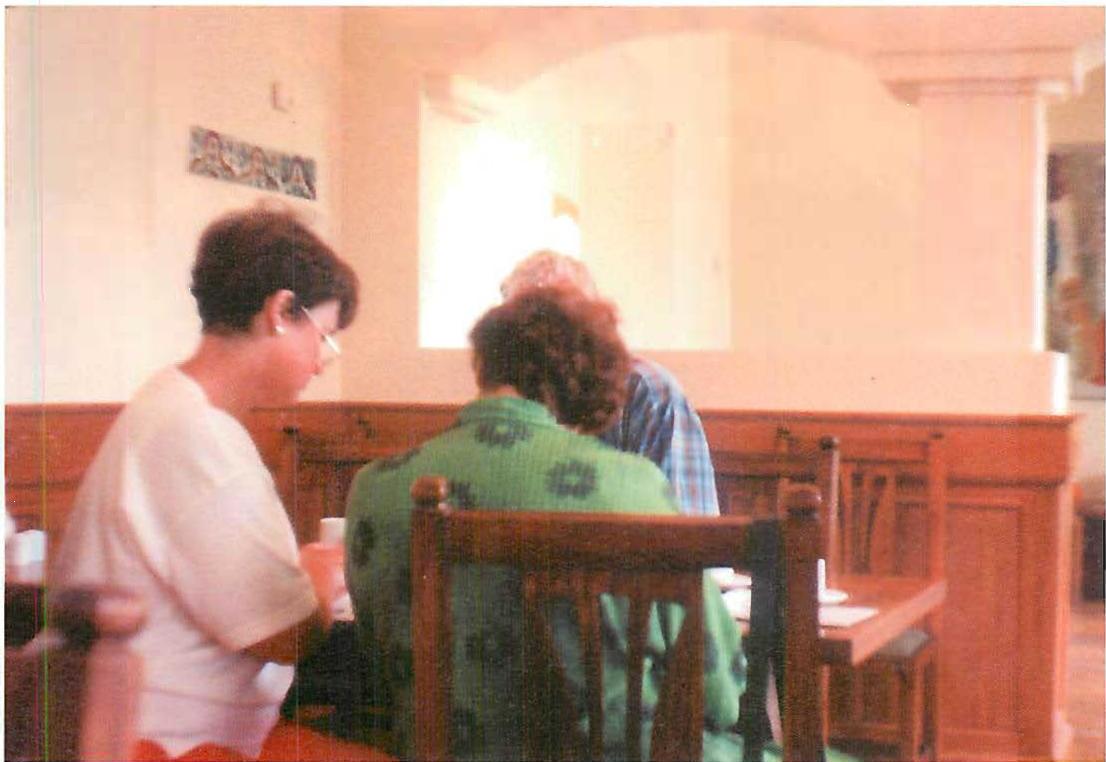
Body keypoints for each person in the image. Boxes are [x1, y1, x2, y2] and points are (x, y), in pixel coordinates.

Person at [344, 287, 747, 761]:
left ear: (486, 366)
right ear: (579, 379)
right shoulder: (632, 488)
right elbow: (717, 688)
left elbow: (377, 665)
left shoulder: (375, 488)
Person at [51, 207, 369, 760]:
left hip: (144, 725)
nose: (321, 364)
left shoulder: (169, 404)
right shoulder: (196, 434)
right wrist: (320, 576)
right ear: (280, 311)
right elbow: (284, 635)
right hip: (162, 742)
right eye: (324, 337)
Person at [501, 250, 720, 517]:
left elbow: (692, 539)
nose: (545, 344)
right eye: (527, 329)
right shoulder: (509, 397)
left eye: (560, 324)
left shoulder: (650, 392)